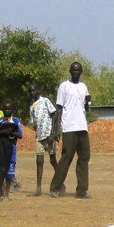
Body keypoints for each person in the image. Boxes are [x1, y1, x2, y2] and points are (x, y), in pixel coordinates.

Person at [50, 62, 91, 198]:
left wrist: (87, 104)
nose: (76, 72)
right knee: (67, 157)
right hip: (69, 127)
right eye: (73, 70)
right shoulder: (64, 86)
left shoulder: (84, 87)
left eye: (78, 70)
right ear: (70, 71)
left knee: (84, 158)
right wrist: (57, 129)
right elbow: (59, 108)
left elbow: (86, 109)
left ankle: (82, 191)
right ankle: (55, 188)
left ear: (81, 71)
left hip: (82, 127)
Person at [28, 82, 58, 196]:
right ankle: (38, 188)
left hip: (49, 136)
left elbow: (54, 115)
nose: (32, 93)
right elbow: (34, 123)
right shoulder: (32, 107)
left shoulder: (45, 101)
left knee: (53, 160)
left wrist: (53, 133)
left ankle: (59, 183)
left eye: (33, 90)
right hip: (39, 137)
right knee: (39, 161)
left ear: (38, 91)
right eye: (30, 91)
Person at [0, 101, 22, 201]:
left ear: (12, 110)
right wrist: (1, 132)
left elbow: (20, 135)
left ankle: (7, 195)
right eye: (5, 109)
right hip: (0, 150)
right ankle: (0, 192)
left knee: (9, 173)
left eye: (9, 109)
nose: (7, 111)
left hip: (11, 149)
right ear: (2, 110)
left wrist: (11, 131)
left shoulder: (16, 121)